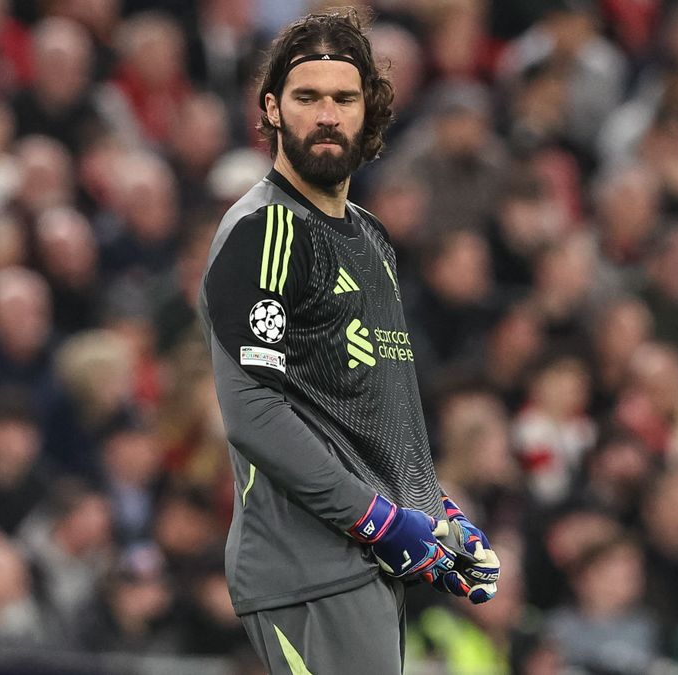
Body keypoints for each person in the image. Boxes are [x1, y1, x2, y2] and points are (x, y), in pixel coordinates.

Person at [198, 9, 501, 674]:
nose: (328, 116)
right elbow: (255, 414)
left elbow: (373, 411)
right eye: (307, 97)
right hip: (304, 570)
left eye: (344, 98)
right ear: (272, 109)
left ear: (371, 111)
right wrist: (378, 520)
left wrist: (435, 514)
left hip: (363, 568)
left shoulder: (372, 237)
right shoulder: (266, 229)